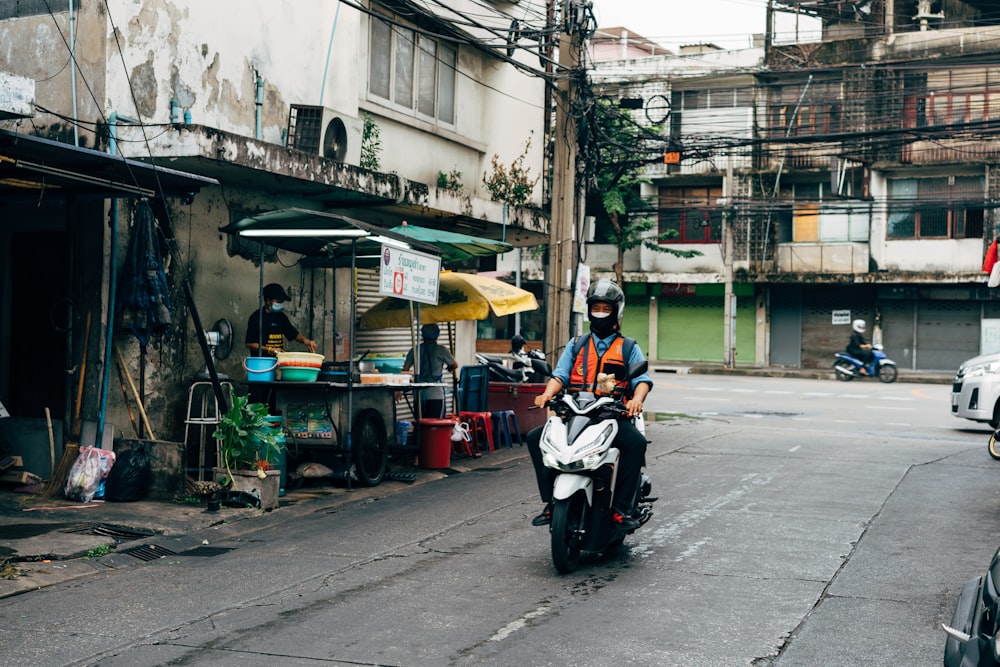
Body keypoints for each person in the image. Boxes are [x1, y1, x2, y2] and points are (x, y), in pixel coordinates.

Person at [526, 279, 653, 530]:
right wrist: (545, 394)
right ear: (589, 309)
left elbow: (642, 380)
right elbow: (559, 375)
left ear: (617, 311)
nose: (601, 313)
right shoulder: (576, 345)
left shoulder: (628, 347)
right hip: (575, 412)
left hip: (611, 415)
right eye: (597, 307)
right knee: (535, 438)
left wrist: (636, 400)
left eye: (606, 309)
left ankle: (622, 509)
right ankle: (551, 505)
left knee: (636, 444)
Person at [245, 283, 317, 358]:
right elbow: (249, 344)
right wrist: (270, 350)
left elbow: (293, 334)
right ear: (268, 301)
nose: (281, 304)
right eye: (278, 302)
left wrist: (305, 341)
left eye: (281, 302)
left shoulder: (281, 317)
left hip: (278, 362)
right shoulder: (256, 317)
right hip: (261, 362)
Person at [403, 323, 458, 419]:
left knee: (420, 426)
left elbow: (405, 370)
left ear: (422, 335)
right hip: (435, 394)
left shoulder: (415, 350)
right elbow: (454, 365)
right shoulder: (441, 350)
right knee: (435, 427)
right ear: (437, 335)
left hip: (419, 394)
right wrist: (449, 368)